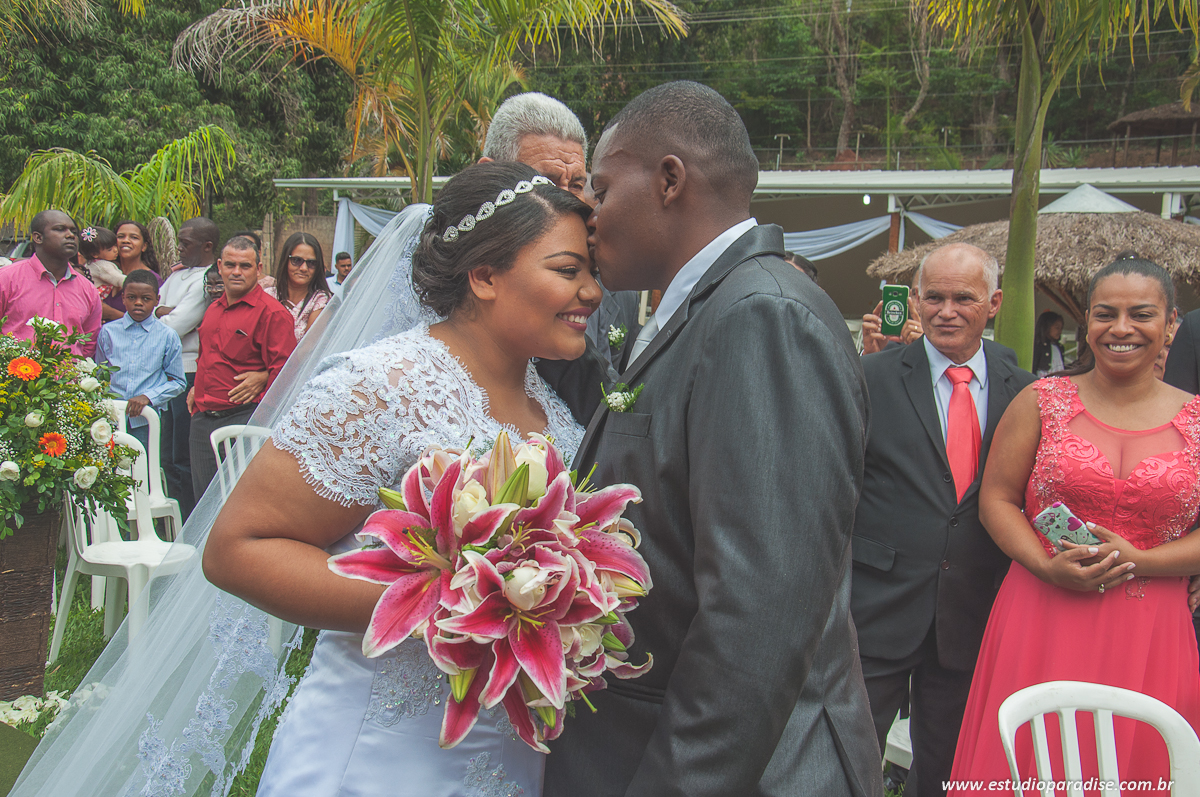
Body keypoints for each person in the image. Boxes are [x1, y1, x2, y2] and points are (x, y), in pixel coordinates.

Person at [201, 162, 597, 796]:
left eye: (590, 273)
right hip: (374, 756)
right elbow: (236, 551)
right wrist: (455, 606)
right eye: (568, 271)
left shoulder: (558, 416)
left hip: (502, 751)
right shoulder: (382, 385)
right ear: (486, 276)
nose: (592, 293)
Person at [543, 80, 882, 797]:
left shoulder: (763, 318)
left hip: (740, 768)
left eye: (601, 188)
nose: (589, 214)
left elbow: (756, 615)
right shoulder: (703, 308)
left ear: (669, 179)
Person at [948, 256, 1200, 793]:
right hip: (1041, 609)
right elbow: (996, 498)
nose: (1122, 328)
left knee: (1140, 761)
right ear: (1087, 321)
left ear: (1171, 323)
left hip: (1151, 627)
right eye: (1106, 313)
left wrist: (1145, 560)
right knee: (1028, 766)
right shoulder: (1041, 402)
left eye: (1143, 314)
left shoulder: (1198, 420)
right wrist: (1044, 564)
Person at [849, 243, 1034, 797]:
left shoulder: (1024, 389)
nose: (946, 311)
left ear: (994, 302)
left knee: (949, 763)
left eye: (963, 298)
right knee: (849, 752)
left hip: (972, 608)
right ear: (915, 300)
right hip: (877, 605)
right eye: (934, 297)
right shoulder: (868, 377)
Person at [481, 91, 640, 370]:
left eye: (576, 185)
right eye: (546, 183)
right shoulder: (452, 290)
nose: (566, 202)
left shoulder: (617, 289)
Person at [187, 236, 295, 499]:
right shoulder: (213, 309)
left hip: (244, 420)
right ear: (220, 266)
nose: (237, 272)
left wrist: (260, 414)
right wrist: (196, 389)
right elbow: (207, 357)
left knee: (240, 504)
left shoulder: (272, 313)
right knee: (204, 502)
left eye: (245, 266)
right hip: (202, 419)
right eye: (231, 265)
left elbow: (288, 374)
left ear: (258, 269)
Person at [156, 216, 220, 520]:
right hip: (164, 368)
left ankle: (188, 523)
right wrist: (161, 311)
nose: (179, 248)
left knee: (182, 455)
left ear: (207, 246)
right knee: (166, 456)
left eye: (186, 243)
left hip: (188, 371)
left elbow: (176, 326)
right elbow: (161, 312)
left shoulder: (208, 277)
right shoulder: (177, 276)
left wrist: (164, 314)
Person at [95, 271, 186, 452]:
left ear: (156, 300)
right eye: (132, 297)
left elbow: (178, 382)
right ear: (123, 298)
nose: (138, 303)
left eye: (145, 298)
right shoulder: (108, 332)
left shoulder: (167, 335)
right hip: (111, 417)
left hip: (146, 420)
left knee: (143, 467)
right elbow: (99, 374)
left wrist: (148, 397)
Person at [0, 210, 102, 357]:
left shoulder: (88, 290)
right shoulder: (7, 279)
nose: (70, 235)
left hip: (68, 377)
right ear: (38, 237)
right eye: (60, 229)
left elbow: (89, 344)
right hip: (17, 375)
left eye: (74, 231)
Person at [263, 232, 332, 341]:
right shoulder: (268, 295)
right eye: (296, 260)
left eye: (311, 263)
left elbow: (308, 346)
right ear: (286, 261)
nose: (304, 268)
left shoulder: (320, 300)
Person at [102, 220, 162, 322]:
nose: (126, 240)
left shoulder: (152, 279)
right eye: (120, 236)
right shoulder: (102, 272)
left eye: (134, 237)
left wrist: (111, 314)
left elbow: (152, 322)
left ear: (144, 246)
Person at [76, 226, 124, 302]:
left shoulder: (91, 264)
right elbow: (119, 279)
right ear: (94, 254)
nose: (115, 250)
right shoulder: (102, 266)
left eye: (115, 245)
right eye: (109, 249)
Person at [1032, 309, 1066, 376]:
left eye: (1061, 328)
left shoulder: (1060, 347)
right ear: (1046, 326)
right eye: (1057, 328)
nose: (1060, 331)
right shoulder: (1038, 346)